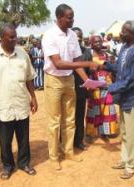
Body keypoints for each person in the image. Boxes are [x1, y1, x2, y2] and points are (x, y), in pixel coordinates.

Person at [42, 4, 98, 170]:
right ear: (59, 17)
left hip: (69, 80)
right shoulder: (49, 35)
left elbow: (75, 62)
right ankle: (54, 157)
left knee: (70, 119)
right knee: (54, 121)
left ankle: (68, 152)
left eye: (72, 17)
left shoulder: (72, 34)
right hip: (53, 80)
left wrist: (87, 80)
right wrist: (88, 62)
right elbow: (58, 64)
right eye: (69, 17)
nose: (72, 20)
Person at [0, 23, 38, 180]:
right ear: (2, 38)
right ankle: (8, 166)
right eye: (11, 37)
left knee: (23, 137)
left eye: (16, 36)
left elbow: (29, 78)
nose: (15, 39)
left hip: (21, 103)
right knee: (5, 140)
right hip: (3, 105)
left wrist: (33, 98)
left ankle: (24, 163)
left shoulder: (23, 54)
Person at [103, 20, 134, 179]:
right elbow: (120, 69)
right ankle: (125, 159)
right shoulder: (124, 48)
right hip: (124, 98)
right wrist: (106, 66)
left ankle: (131, 165)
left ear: (133, 34)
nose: (121, 33)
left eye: (124, 31)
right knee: (126, 132)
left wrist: (112, 87)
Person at [86, 35, 118, 142]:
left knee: (107, 107)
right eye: (95, 42)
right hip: (94, 85)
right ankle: (92, 132)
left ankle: (105, 131)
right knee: (94, 109)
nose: (98, 44)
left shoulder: (106, 55)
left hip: (106, 84)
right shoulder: (89, 54)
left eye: (100, 42)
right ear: (91, 43)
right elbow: (86, 69)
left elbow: (110, 69)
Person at [72, 27, 92, 150]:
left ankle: (79, 141)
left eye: (80, 37)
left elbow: (88, 72)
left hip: (81, 89)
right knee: (68, 117)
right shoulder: (67, 52)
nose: (78, 39)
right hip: (68, 88)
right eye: (75, 37)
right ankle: (65, 141)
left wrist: (89, 87)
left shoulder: (87, 52)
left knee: (79, 116)